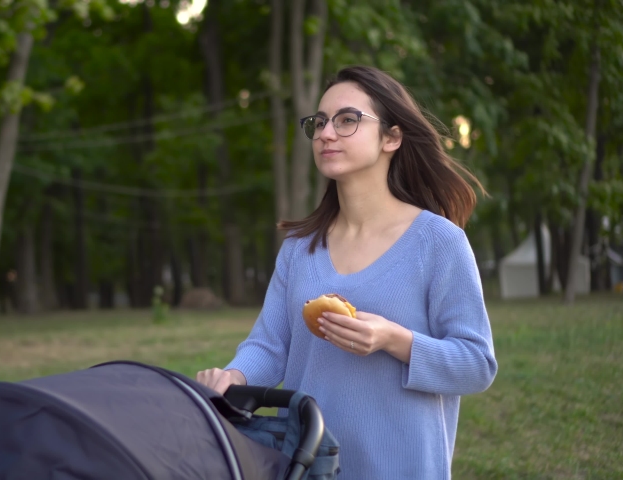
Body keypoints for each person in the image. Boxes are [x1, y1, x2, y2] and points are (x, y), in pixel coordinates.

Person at [196, 65, 497, 480]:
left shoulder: (439, 242)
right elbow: (269, 346)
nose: (325, 133)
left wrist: (395, 339)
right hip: (308, 466)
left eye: (347, 120)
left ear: (391, 137)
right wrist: (233, 374)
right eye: (319, 123)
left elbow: (477, 364)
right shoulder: (299, 250)